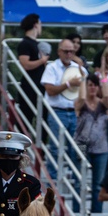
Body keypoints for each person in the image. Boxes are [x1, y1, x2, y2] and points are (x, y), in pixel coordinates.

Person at [42, 38, 86, 182]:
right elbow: (50, 91)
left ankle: (76, 182)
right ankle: (52, 184)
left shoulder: (78, 68)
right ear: (59, 51)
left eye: (72, 51)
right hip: (57, 111)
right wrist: (68, 84)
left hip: (75, 112)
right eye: (66, 51)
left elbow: (88, 89)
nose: (69, 54)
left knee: (76, 150)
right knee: (55, 148)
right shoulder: (52, 67)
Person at [74, 72, 108, 215]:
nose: (93, 88)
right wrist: (83, 78)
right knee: (79, 182)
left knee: (98, 184)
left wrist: (104, 77)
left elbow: (107, 96)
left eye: (95, 85)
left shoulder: (103, 103)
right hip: (81, 145)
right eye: (90, 85)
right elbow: (82, 97)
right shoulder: (80, 102)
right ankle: (77, 214)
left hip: (101, 147)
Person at [15, 14, 49, 120]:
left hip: (40, 84)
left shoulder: (36, 43)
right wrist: (42, 60)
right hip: (30, 85)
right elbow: (25, 64)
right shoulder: (25, 43)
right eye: (40, 24)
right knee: (27, 115)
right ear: (35, 25)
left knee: (43, 115)